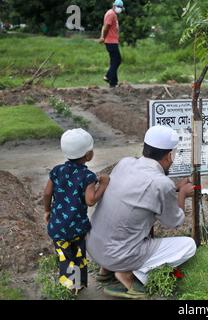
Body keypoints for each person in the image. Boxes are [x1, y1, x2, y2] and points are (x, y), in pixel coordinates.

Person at [86, 125, 196, 299]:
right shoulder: (161, 183)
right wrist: (183, 194)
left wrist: (174, 189)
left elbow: (139, 195)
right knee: (189, 246)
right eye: (172, 156)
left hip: (93, 247)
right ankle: (132, 278)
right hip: (118, 256)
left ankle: (105, 272)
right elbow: (174, 222)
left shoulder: (125, 163)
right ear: (168, 156)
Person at [43, 129, 110, 294]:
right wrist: (103, 184)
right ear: (88, 155)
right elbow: (91, 200)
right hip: (77, 228)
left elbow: (46, 193)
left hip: (58, 226)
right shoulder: (87, 176)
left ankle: (68, 285)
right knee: (79, 254)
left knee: (64, 255)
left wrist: (46, 210)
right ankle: (77, 284)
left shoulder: (57, 171)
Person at [99, 0, 125, 88]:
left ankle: (113, 82)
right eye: (119, 7)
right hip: (110, 41)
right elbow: (106, 27)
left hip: (113, 40)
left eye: (121, 7)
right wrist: (103, 37)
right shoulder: (111, 14)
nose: (120, 9)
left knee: (114, 61)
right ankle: (108, 76)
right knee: (117, 60)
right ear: (114, 6)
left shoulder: (113, 14)